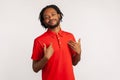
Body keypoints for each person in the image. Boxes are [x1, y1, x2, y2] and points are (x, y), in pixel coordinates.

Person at [31, 4, 81, 80]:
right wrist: (45, 58)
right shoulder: (39, 40)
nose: (50, 18)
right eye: (46, 17)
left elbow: (74, 63)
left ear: (59, 15)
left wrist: (79, 53)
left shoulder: (70, 36)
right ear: (44, 22)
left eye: (53, 14)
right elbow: (35, 68)